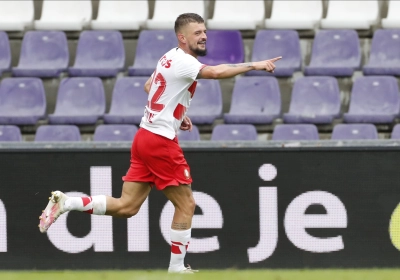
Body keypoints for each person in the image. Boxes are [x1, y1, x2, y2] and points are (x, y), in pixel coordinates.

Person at [38, 13, 281, 273]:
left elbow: (148, 86)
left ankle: (67, 203)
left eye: (204, 31)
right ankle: (177, 268)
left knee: (127, 207)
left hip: (144, 136)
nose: (203, 36)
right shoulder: (186, 62)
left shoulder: (169, 56)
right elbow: (216, 71)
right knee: (186, 204)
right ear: (182, 37)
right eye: (197, 32)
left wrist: (177, 112)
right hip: (160, 141)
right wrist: (255, 65)